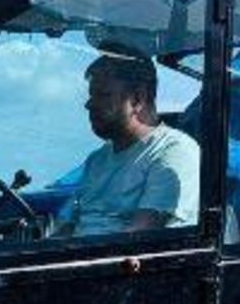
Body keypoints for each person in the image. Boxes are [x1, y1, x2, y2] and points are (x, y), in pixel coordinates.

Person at [52, 50, 200, 237]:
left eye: (103, 95)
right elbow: (66, 229)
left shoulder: (175, 151)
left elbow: (139, 238)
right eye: (92, 95)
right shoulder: (97, 160)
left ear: (137, 99)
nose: (89, 104)